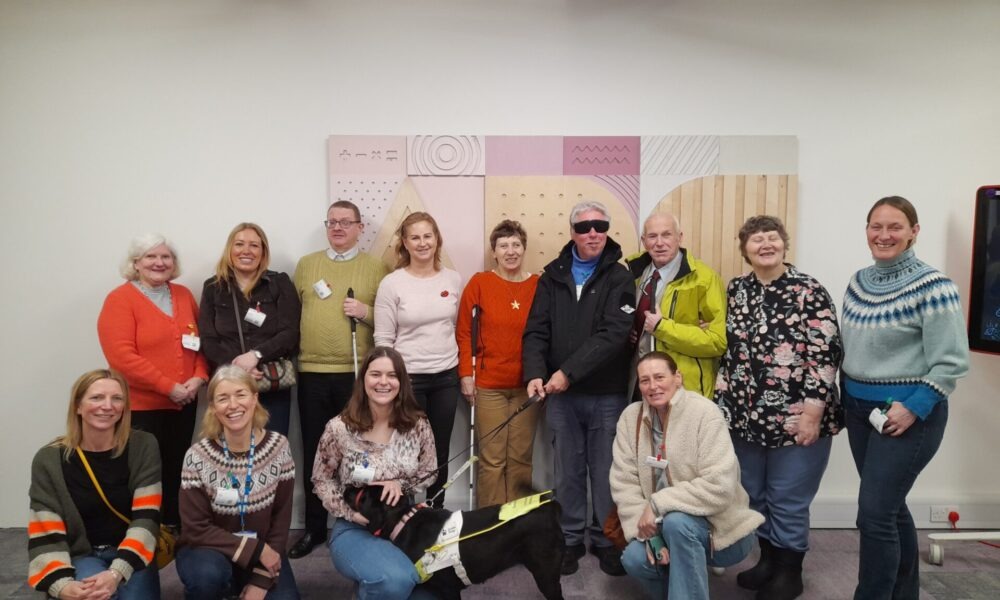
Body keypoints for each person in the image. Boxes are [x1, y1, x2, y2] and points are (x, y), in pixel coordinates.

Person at [841, 196, 969, 599]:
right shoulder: (858, 282)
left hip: (907, 413)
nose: (884, 235)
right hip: (859, 411)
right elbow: (852, 350)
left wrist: (914, 408)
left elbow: (951, 362)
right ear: (866, 231)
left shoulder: (935, 287)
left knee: (874, 515)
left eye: (894, 227)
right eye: (876, 226)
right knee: (890, 510)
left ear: (914, 232)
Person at [713, 215, 843, 600]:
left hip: (797, 417)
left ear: (784, 244)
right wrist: (722, 408)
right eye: (756, 239)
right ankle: (767, 562)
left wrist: (812, 415)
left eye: (772, 237)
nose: (765, 244)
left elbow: (826, 354)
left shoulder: (809, 290)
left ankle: (789, 572)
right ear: (745, 249)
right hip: (745, 417)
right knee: (754, 494)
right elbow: (730, 353)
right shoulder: (737, 289)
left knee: (788, 498)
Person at [521, 200, 635, 576]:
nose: (593, 233)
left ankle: (605, 539)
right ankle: (570, 539)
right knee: (567, 470)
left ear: (607, 231)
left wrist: (567, 372)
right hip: (561, 396)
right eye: (585, 227)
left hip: (606, 394)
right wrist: (535, 373)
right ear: (572, 232)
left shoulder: (619, 277)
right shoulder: (551, 276)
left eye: (600, 226)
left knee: (605, 471)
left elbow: (614, 334)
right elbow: (536, 330)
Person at [611, 352, 762, 600]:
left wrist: (658, 503)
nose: (653, 386)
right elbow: (624, 483)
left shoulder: (704, 413)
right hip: (660, 527)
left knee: (678, 523)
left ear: (677, 378)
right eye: (645, 380)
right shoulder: (630, 418)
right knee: (634, 559)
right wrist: (650, 536)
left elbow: (720, 486)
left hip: (723, 529)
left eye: (660, 377)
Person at [289, 200, 389, 558]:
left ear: (360, 228)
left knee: (359, 450)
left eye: (346, 222)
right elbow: (293, 315)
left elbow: (390, 318)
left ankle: (361, 522)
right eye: (332, 222)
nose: (338, 228)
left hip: (355, 374)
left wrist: (365, 312)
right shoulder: (306, 265)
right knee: (316, 451)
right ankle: (315, 528)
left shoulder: (376, 268)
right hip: (312, 372)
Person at [98, 233, 209, 529]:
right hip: (142, 407)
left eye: (165, 257)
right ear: (136, 263)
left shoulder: (183, 295)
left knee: (176, 468)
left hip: (183, 403)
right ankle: (141, 531)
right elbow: (121, 356)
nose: (159, 263)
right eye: (151, 256)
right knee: (142, 473)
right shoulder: (120, 300)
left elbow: (201, 343)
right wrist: (168, 387)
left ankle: (171, 529)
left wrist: (199, 377)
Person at [312, 347, 437, 599]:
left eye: (392, 375)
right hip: (355, 527)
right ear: (363, 379)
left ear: (402, 382)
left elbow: (429, 471)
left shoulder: (417, 424)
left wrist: (401, 484)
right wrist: (350, 513)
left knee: (435, 592)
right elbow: (321, 479)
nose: (383, 382)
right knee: (396, 580)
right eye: (375, 374)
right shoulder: (339, 428)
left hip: (402, 523)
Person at [28, 369, 162, 599]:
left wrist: (117, 572)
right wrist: (61, 585)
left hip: (131, 551)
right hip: (82, 555)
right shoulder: (48, 459)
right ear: (78, 406)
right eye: (97, 397)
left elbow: (147, 517)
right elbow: (45, 529)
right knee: (91, 595)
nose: (107, 406)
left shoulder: (143, 446)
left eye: (117, 398)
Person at [176, 365, 298, 600]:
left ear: (254, 398)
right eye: (223, 398)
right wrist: (256, 549)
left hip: (260, 552)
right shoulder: (197, 456)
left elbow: (281, 520)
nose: (233, 405)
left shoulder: (279, 447)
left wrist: (261, 580)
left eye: (241, 394)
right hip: (207, 550)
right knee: (207, 577)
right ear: (213, 407)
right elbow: (195, 528)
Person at [374, 211, 462, 508]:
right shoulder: (392, 283)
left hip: (446, 375)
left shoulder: (453, 279)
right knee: (406, 449)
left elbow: (455, 326)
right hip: (408, 378)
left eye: (428, 236)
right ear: (405, 243)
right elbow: (383, 339)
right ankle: (404, 512)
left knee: (439, 448)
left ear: (437, 239)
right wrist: (387, 380)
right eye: (415, 237)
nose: (422, 243)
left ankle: (436, 510)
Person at [456, 219, 541, 507]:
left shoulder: (538, 285)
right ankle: (490, 521)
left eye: (516, 244)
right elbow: (464, 332)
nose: (510, 251)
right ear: (494, 252)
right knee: (492, 459)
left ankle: (519, 520)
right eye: (503, 245)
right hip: (489, 386)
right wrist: (465, 374)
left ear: (524, 249)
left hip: (527, 386)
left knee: (521, 457)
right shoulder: (480, 283)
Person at [198, 223, 301, 436]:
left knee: (271, 446)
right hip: (228, 386)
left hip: (270, 383)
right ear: (230, 249)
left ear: (263, 252)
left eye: (254, 245)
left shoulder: (279, 283)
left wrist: (255, 355)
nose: (246, 251)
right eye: (239, 244)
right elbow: (208, 339)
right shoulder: (213, 287)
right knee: (230, 448)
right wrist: (238, 367)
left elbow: (290, 333)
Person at [625, 212, 726, 399]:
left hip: (684, 390)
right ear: (644, 241)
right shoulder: (633, 275)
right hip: (640, 387)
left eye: (666, 235)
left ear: (680, 237)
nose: (659, 243)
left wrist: (662, 327)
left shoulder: (704, 279)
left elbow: (717, 342)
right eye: (652, 236)